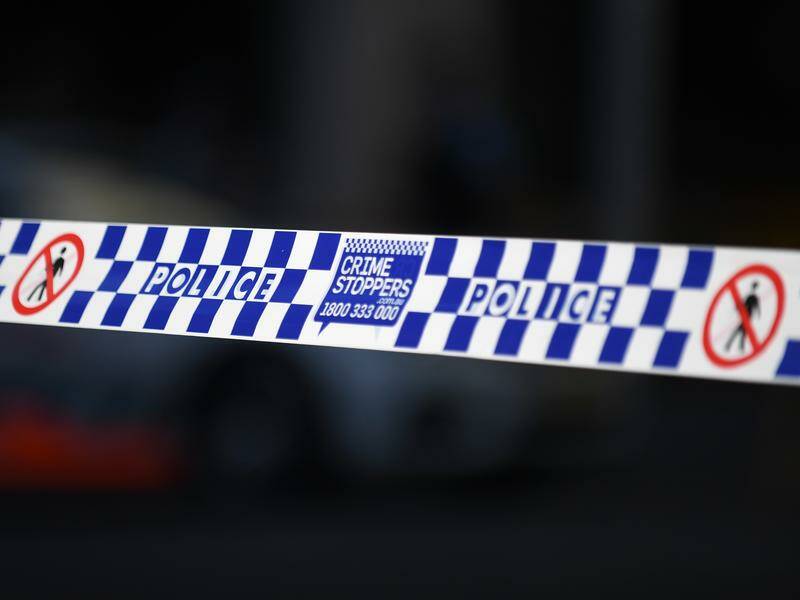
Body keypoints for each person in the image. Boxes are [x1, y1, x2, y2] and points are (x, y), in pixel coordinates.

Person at [725, 280, 760, 353]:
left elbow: (756, 307)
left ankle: (736, 346)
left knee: (742, 332)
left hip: (748, 315)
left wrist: (758, 313)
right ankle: (735, 346)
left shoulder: (753, 297)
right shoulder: (752, 297)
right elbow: (754, 307)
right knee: (740, 331)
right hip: (746, 315)